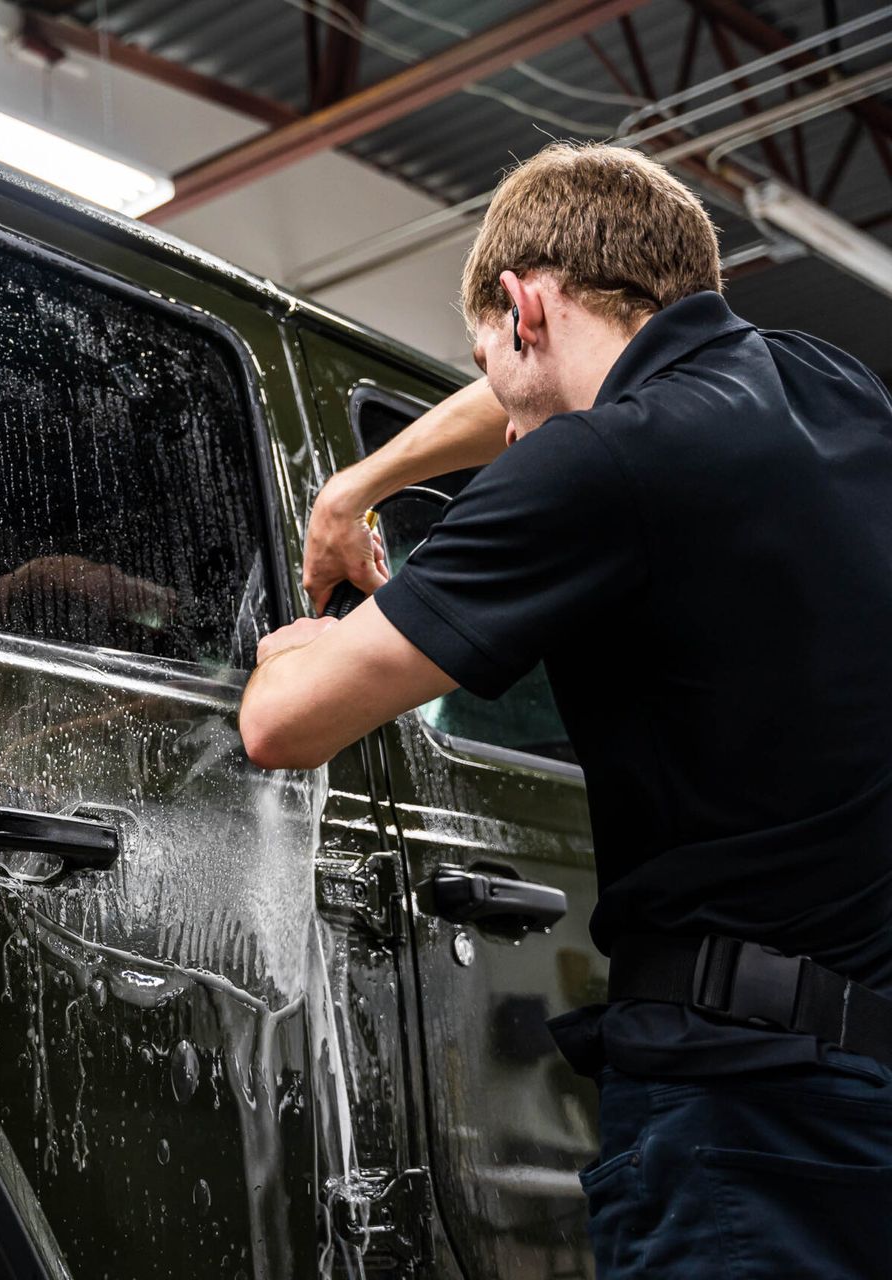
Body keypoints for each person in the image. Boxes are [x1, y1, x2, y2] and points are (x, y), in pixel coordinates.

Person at [238, 141, 892, 1276]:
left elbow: (282, 726)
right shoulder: (832, 391)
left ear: (523, 302)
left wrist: (298, 643)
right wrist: (358, 484)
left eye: (491, 356)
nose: (499, 414)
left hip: (739, 1118)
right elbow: (529, 402)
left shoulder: (604, 466)